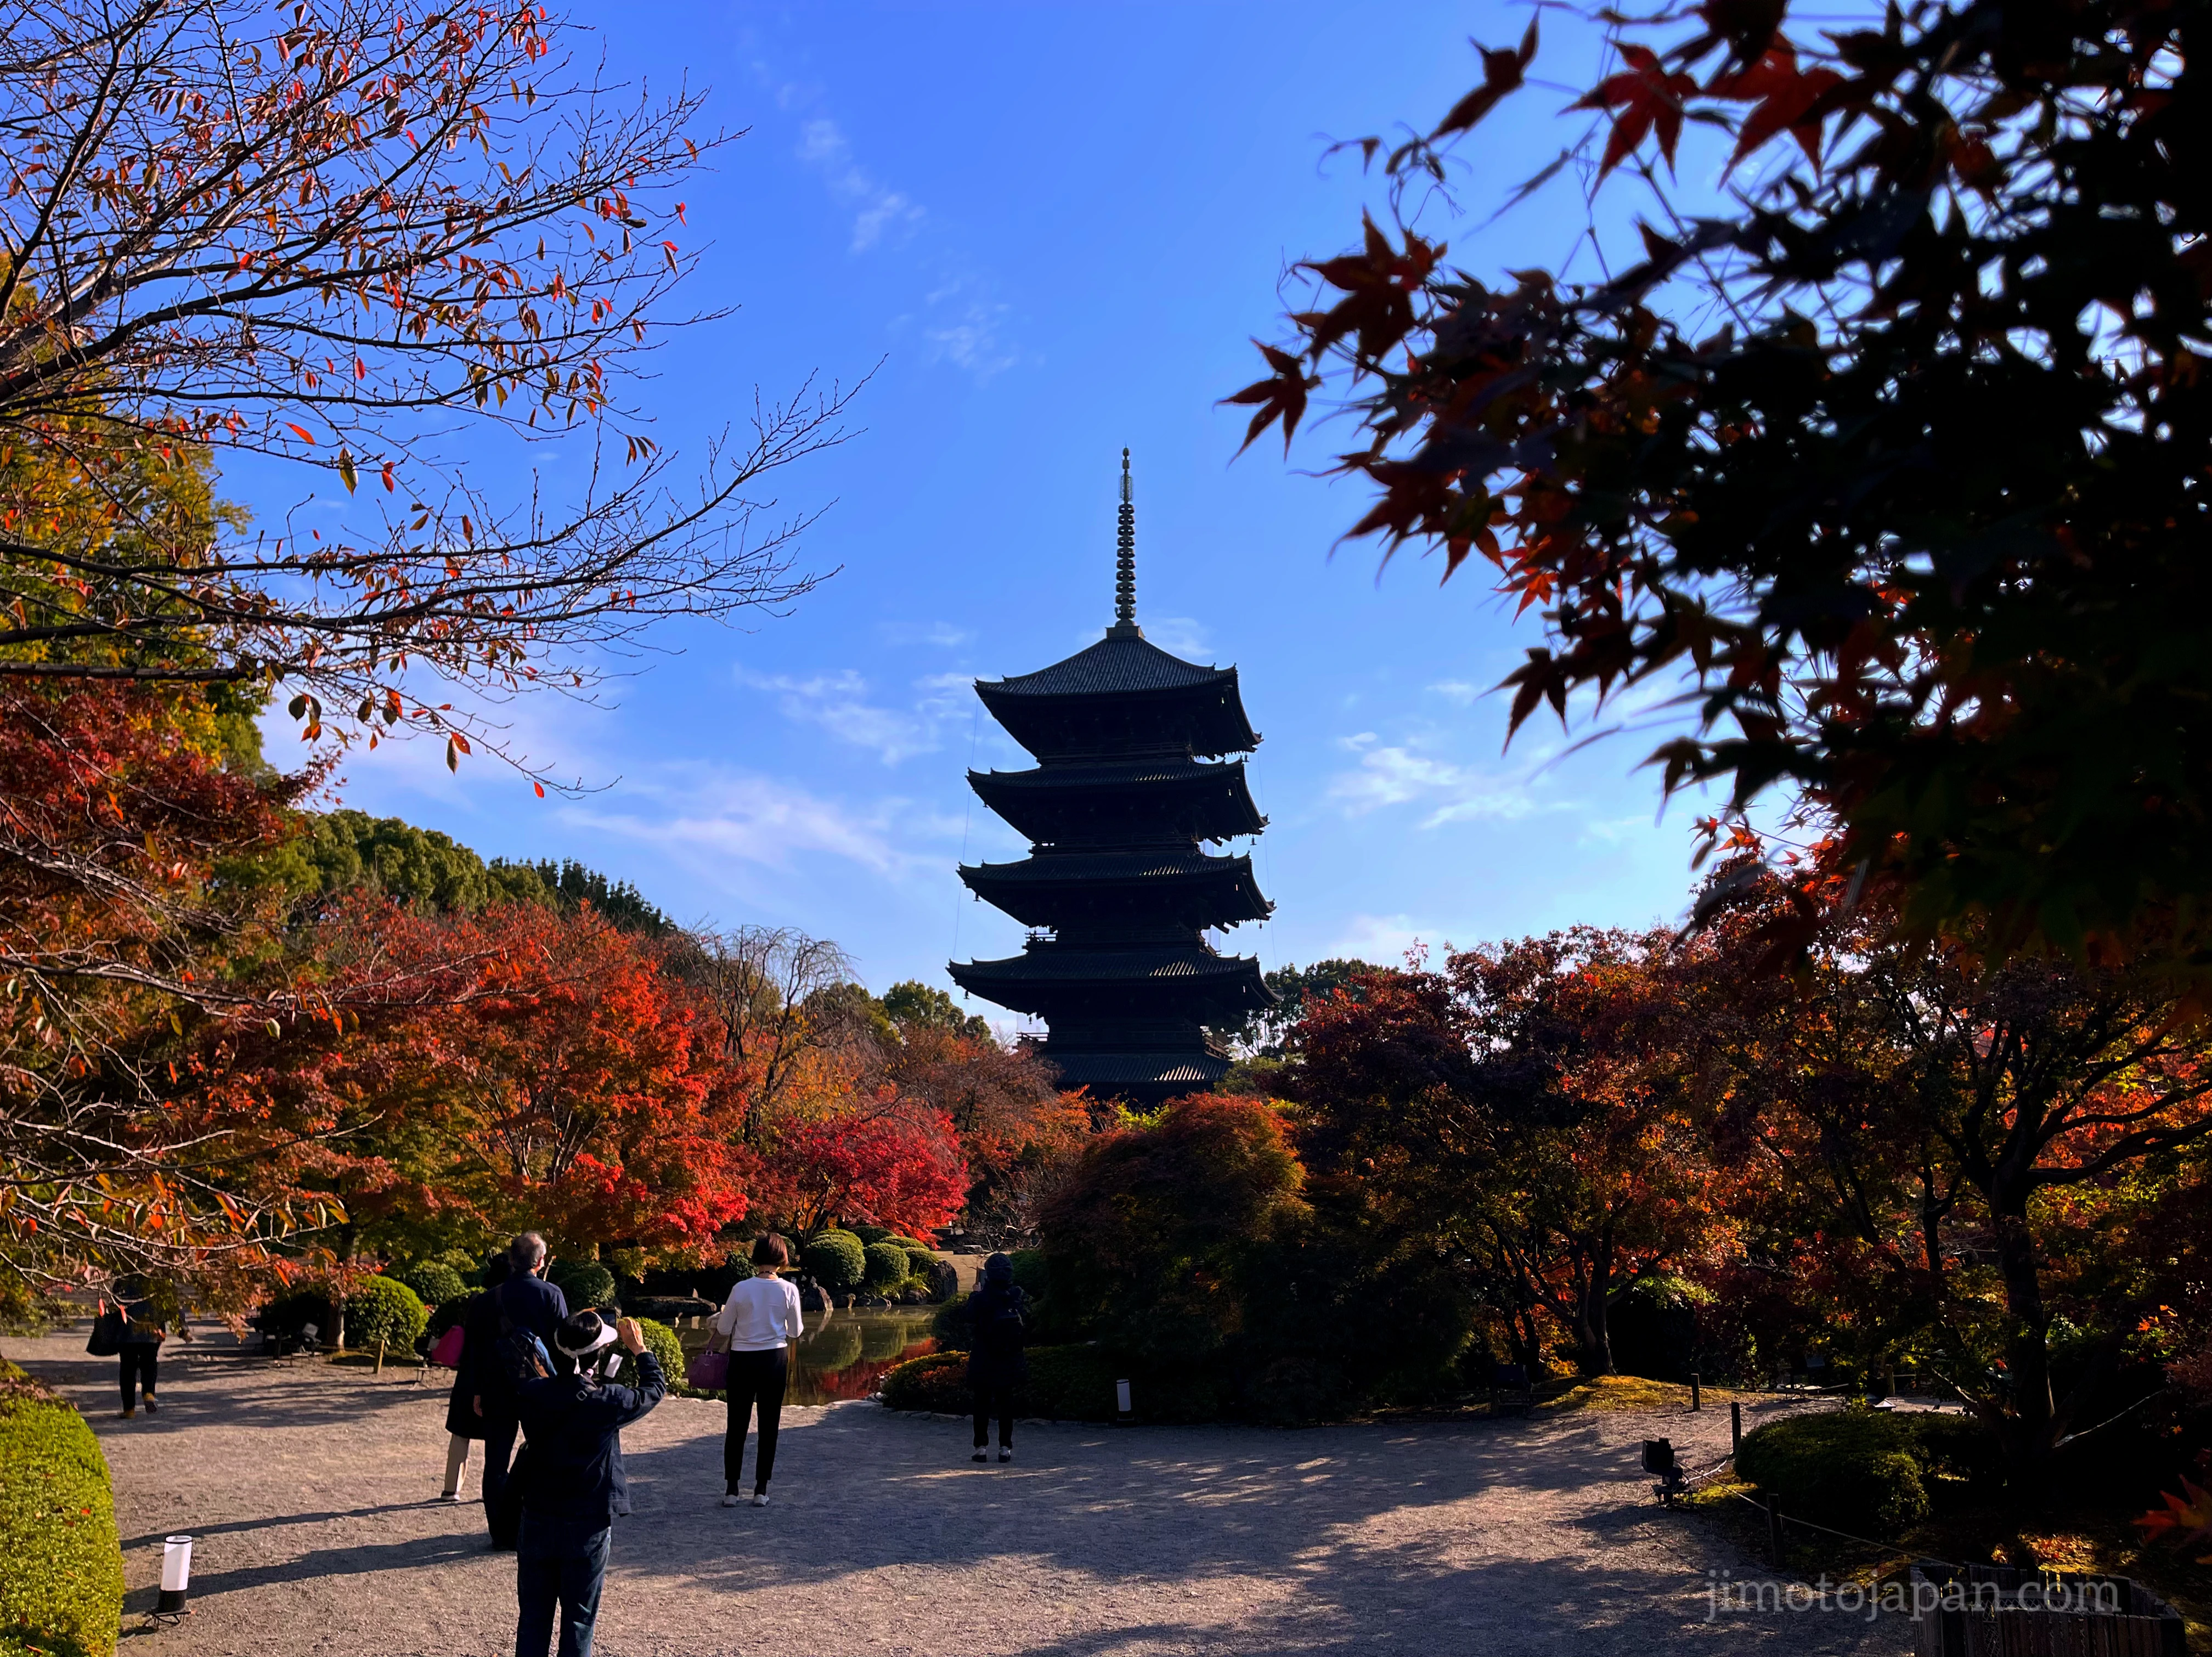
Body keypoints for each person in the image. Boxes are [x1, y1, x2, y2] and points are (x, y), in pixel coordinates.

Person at [513, 1309, 665, 1657]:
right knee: (579, 1620)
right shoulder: (608, 1401)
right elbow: (653, 1390)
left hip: (538, 1513)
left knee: (534, 1618)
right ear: (597, 1357)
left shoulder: (533, 1394)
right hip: (588, 1521)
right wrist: (640, 1351)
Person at [481, 1232, 571, 1546]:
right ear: (541, 1261)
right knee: (544, 1454)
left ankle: (500, 1532)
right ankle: (538, 1524)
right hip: (541, 1388)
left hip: (498, 1389)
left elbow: (478, 1350)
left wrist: (478, 1392)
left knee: (496, 1463)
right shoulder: (552, 1294)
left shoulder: (491, 1298)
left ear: (510, 1259)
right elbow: (562, 1346)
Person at [707, 1233, 803, 1508]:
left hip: (742, 1359)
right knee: (769, 1423)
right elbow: (796, 1331)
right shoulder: (789, 1290)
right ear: (782, 1259)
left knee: (736, 1424)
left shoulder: (741, 1288)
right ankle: (761, 1489)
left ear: (756, 1257)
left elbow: (724, 1329)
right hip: (774, 1358)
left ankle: (732, 1490)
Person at [438, 1254, 512, 1502]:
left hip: (470, 1371)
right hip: (499, 1374)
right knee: (498, 1437)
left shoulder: (477, 1301)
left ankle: (452, 1488)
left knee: (461, 1433)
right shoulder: (512, 1302)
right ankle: (493, 1487)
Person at [966, 1253, 1028, 1464]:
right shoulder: (1015, 1295)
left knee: (981, 1403)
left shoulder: (982, 1298)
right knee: (1006, 1404)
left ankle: (981, 1447)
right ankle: (1005, 1448)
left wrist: (974, 1296)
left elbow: (967, 1318)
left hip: (984, 1356)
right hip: (1009, 1357)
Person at [112, 1281, 168, 1421]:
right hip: (150, 1330)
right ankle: (149, 1393)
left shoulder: (122, 1279)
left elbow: (114, 1304)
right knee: (149, 1363)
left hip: (127, 1332)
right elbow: (164, 1304)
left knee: (127, 1371)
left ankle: (129, 1409)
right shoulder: (154, 1278)